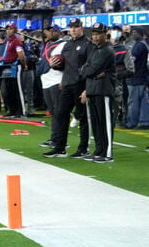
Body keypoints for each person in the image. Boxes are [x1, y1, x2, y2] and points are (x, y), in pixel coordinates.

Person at [45, 19, 92, 159]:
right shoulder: (67, 45)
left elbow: (91, 67)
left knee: (83, 117)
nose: (73, 30)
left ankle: (83, 148)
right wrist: (55, 65)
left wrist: (87, 88)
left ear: (81, 28)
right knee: (60, 114)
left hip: (80, 84)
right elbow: (64, 66)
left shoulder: (87, 45)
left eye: (76, 27)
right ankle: (60, 147)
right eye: (71, 27)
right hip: (66, 84)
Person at [79, 23, 116, 163]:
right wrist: (90, 72)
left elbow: (90, 69)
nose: (95, 36)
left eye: (98, 33)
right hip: (93, 89)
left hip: (103, 90)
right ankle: (99, 150)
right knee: (95, 123)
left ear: (105, 34)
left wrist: (89, 71)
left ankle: (107, 154)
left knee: (105, 123)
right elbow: (84, 70)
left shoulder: (107, 50)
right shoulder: (94, 50)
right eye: (94, 33)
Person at [39, 24, 67, 149]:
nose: (50, 33)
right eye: (48, 31)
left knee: (59, 111)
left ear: (58, 32)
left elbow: (68, 62)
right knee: (53, 112)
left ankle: (60, 140)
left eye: (53, 31)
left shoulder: (64, 45)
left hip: (57, 79)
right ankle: (54, 137)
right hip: (46, 80)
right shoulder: (47, 45)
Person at [125, 27, 149, 129]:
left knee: (133, 102)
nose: (133, 34)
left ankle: (132, 122)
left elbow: (132, 60)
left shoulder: (139, 45)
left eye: (135, 32)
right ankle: (144, 121)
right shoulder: (143, 44)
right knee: (143, 101)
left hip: (136, 78)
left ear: (140, 34)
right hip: (142, 77)